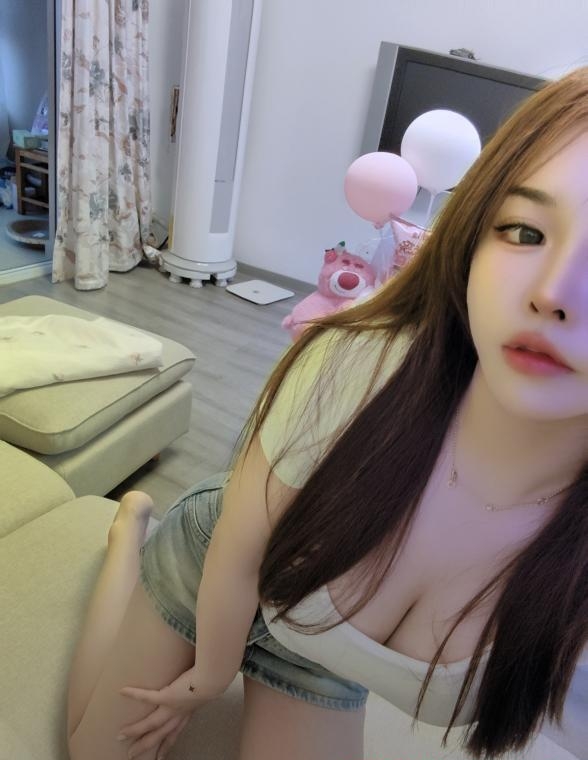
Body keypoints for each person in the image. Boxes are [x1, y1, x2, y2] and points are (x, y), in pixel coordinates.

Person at [67, 67, 588, 760]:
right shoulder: (361, 361)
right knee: (91, 753)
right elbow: (238, 548)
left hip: (317, 646)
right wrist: (207, 678)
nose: (555, 293)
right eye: (524, 231)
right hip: (216, 558)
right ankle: (129, 532)